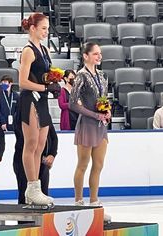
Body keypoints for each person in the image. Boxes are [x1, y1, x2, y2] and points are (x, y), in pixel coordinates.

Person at [19, 12, 60, 206]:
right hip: (31, 99)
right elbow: (22, 82)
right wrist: (45, 87)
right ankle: (32, 187)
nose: (46, 32)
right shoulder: (28, 51)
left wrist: (54, 83)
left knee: (41, 145)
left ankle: (37, 190)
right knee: (32, 143)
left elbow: (44, 75)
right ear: (33, 28)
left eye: (47, 29)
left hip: (42, 99)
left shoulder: (44, 49)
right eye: (43, 28)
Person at [69, 42, 111, 221]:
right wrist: (94, 115)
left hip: (101, 125)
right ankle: (78, 201)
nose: (99, 56)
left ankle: (94, 202)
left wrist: (107, 110)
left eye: (100, 54)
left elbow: (103, 98)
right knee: (83, 164)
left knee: (99, 165)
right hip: (87, 124)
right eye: (95, 54)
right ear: (85, 56)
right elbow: (72, 103)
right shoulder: (81, 76)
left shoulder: (102, 75)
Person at [13, 113, 58, 204]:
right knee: (25, 195)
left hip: (42, 161)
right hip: (23, 161)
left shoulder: (44, 114)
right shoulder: (23, 113)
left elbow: (53, 137)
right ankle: (24, 217)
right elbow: (28, 142)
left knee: (43, 194)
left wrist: (52, 154)